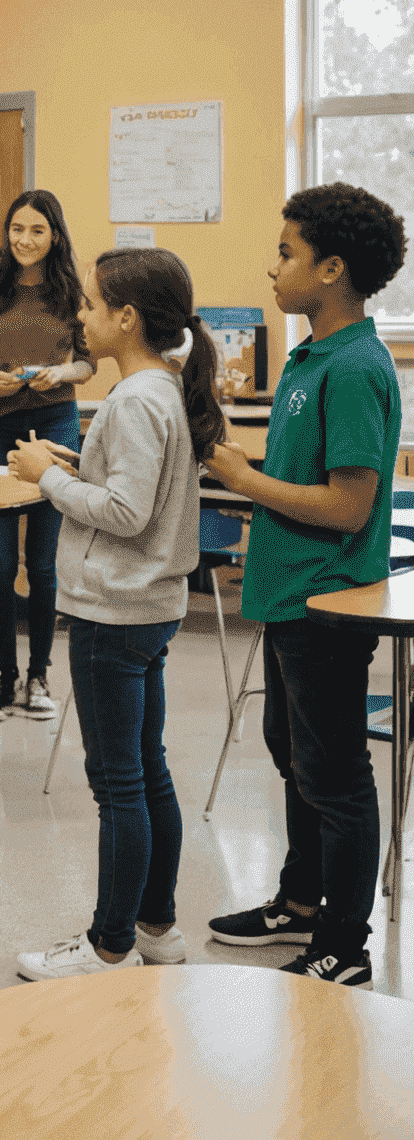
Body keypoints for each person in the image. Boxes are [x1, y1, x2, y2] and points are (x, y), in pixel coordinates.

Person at [203, 183, 405, 988]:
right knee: (292, 752)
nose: (271, 267)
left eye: (285, 253)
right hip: (290, 594)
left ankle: (344, 948)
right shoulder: (310, 355)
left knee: (336, 775)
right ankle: (300, 900)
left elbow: (349, 506)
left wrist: (245, 480)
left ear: (331, 268)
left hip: (327, 598)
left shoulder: (354, 367)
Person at [8, 246, 224, 979]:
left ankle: (108, 945)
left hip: (114, 613)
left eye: (93, 306)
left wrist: (47, 482)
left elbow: (128, 512)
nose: (81, 316)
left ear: (127, 318)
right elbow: (138, 490)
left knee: (119, 784)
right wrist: (73, 468)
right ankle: (156, 926)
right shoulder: (162, 390)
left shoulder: (134, 399)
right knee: (147, 770)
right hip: (147, 607)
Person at [0, 190, 93, 721]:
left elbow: (87, 363)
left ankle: (38, 676)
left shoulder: (70, 292)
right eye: (17, 229)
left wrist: (60, 373)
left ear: (54, 236)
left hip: (56, 428)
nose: (25, 239)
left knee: (42, 563)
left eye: (37, 230)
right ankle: (4, 676)